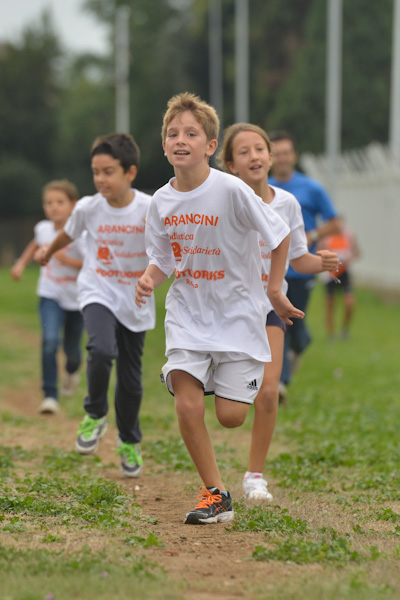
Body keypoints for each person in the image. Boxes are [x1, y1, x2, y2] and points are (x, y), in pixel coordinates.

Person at [135, 92, 304, 524]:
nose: (181, 139)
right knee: (188, 405)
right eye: (173, 133)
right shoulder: (161, 201)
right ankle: (216, 494)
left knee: (230, 417)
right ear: (164, 145)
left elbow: (279, 234)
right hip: (188, 314)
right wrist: (149, 278)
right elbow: (163, 258)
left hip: (237, 315)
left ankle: (206, 375)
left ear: (210, 146)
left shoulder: (230, 189)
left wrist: (273, 289)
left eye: (191, 133)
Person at [217, 122, 338, 501]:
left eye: (260, 149)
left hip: (271, 306)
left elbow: (298, 258)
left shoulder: (287, 203)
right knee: (230, 413)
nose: (254, 156)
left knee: (269, 392)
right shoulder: (221, 201)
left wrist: (323, 263)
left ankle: (255, 476)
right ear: (231, 165)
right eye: (244, 152)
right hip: (224, 308)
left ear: (271, 156)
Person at [39, 133, 155, 479]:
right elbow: (69, 234)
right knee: (101, 350)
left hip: (135, 298)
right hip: (97, 290)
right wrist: (48, 251)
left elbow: (168, 247)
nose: (100, 179)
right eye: (96, 172)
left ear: (130, 172)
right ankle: (94, 414)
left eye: (108, 172)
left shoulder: (149, 208)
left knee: (131, 380)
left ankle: (129, 441)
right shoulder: (89, 207)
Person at [268, 131, 341, 401]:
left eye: (287, 152)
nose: (283, 158)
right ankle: (280, 384)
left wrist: (312, 237)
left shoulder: (311, 188)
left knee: (296, 326)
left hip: (301, 269)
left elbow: (334, 221)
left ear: (294, 156)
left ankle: (302, 344)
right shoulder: (263, 187)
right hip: (273, 271)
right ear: (271, 157)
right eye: (278, 153)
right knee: (279, 323)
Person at [10, 180, 85, 415]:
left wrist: (62, 258)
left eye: (60, 202)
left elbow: (90, 265)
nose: (53, 207)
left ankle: (72, 372)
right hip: (50, 293)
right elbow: (36, 244)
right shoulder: (43, 228)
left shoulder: (80, 234)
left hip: (77, 300)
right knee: (50, 341)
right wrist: (21, 264)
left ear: (73, 205)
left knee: (73, 354)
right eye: (49, 203)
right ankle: (50, 395)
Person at [318, 218, 360, 341]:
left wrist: (348, 259)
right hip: (330, 273)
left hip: (344, 271)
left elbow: (357, 252)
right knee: (330, 304)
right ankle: (331, 335)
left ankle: (344, 330)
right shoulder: (326, 236)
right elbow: (318, 252)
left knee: (349, 303)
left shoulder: (349, 234)